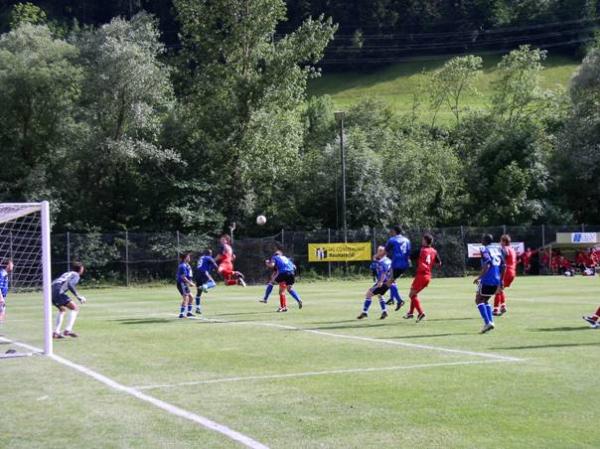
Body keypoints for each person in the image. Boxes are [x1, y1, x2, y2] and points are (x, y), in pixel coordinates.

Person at [404, 233, 441, 322]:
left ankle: (421, 313)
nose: (422, 241)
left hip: (421, 275)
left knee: (412, 295)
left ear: (425, 241)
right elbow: (439, 263)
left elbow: (409, 256)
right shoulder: (434, 251)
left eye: (423, 239)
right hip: (428, 276)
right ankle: (410, 313)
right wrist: (430, 264)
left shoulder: (421, 250)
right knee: (414, 294)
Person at [473, 234, 505, 334]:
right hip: (496, 280)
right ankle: (490, 322)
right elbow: (503, 266)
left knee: (478, 300)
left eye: (482, 239)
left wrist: (479, 277)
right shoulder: (498, 250)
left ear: (485, 241)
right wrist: (501, 281)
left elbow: (487, 264)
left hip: (487, 279)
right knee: (485, 300)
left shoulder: (484, 249)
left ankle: (487, 322)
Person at [51, 262, 87, 338]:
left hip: (50, 290)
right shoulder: (76, 275)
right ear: (80, 269)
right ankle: (68, 330)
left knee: (62, 310)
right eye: (82, 268)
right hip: (58, 290)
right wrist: (78, 296)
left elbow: (58, 281)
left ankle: (56, 333)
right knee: (75, 308)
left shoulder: (68, 273)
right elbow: (70, 284)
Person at [357, 246, 391, 320]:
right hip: (388, 282)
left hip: (383, 282)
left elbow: (383, 273)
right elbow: (373, 267)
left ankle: (365, 312)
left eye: (379, 251)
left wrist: (380, 282)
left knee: (368, 294)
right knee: (379, 295)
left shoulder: (383, 262)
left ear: (383, 252)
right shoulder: (386, 260)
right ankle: (384, 312)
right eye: (378, 250)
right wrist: (375, 260)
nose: (377, 252)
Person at [384, 225, 410, 310]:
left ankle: (399, 300)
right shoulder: (407, 240)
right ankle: (392, 299)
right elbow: (408, 252)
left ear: (395, 231)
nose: (391, 232)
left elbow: (385, 250)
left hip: (397, 264)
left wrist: (379, 258)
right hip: (403, 264)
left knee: (389, 282)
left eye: (391, 231)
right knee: (391, 280)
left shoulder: (393, 240)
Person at [493, 234, 516, 316]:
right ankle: (503, 306)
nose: (500, 242)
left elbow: (502, 262)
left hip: (506, 272)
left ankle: (495, 309)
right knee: (501, 289)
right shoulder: (512, 249)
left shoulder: (504, 249)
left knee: (497, 289)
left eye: (501, 241)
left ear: (504, 241)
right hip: (513, 272)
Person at [194, 249, 218, 314]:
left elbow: (207, 265)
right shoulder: (209, 257)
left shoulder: (201, 258)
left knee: (199, 293)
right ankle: (205, 286)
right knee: (213, 283)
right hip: (204, 273)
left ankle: (197, 308)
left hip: (197, 274)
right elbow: (215, 266)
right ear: (210, 254)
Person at [176, 253, 196, 318]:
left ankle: (189, 313)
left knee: (191, 297)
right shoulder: (182, 266)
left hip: (185, 283)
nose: (189, 257)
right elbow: (183, 277)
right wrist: (190, 283)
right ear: (185, 258)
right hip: (181, 283)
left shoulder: (187, 265)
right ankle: (181, 314)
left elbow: (189, 276)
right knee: (186, 298)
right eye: (188, 256)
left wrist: (191, 282)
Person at [0, 259, 14, 324]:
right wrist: (1, 298)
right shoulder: (2, 273)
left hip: (2, 296)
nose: (13, 265)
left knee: (2, 313)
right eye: (11, 264)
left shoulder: (4, 273)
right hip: (0, 297)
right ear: (7, 265)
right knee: (1, 313)